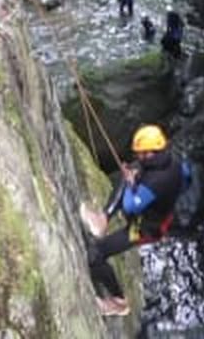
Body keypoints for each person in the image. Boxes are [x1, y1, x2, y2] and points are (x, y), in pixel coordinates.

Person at [80, 125, 189, 317]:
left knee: (95, 255)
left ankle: (119, 303)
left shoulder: (157, 181)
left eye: (140, 153)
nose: (137, 156)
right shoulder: (176, 163)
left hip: (145, 228)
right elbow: (187, 179)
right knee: (130, 171)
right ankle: (103, 220)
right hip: (158, 215)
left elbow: (130, 206)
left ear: (150, 153)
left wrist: (132, 184)